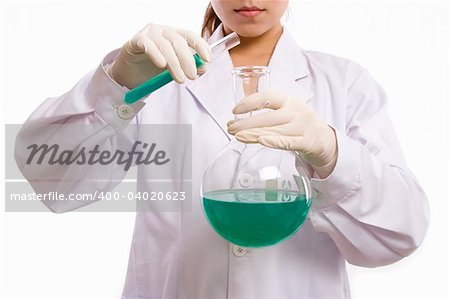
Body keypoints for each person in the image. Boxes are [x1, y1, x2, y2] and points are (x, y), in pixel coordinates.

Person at [15, 1, 430, 298]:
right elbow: (52, 184)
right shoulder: (159, 79)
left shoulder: (344, 84)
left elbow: (401, 233)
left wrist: (330, 152)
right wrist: (117, 84)